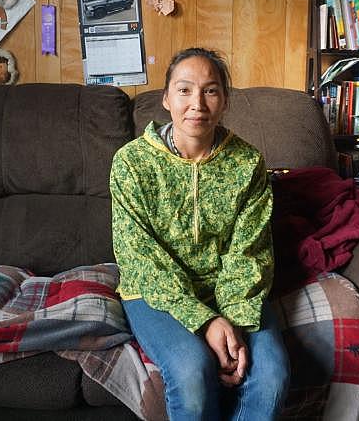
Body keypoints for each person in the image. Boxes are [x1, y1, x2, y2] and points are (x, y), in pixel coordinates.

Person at [110, 48, 290, 420]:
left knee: (271, 376)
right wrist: (206, 321)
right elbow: (138, 256)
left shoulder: (247, 162)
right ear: (166, 98)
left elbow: (251, 251)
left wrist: (234, 323)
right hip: (153, 291)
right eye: (184, 90)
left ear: (224, 100)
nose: (197, 104)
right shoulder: (131, 162)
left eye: (210, 91)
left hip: (232, 288)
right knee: (192, 372)